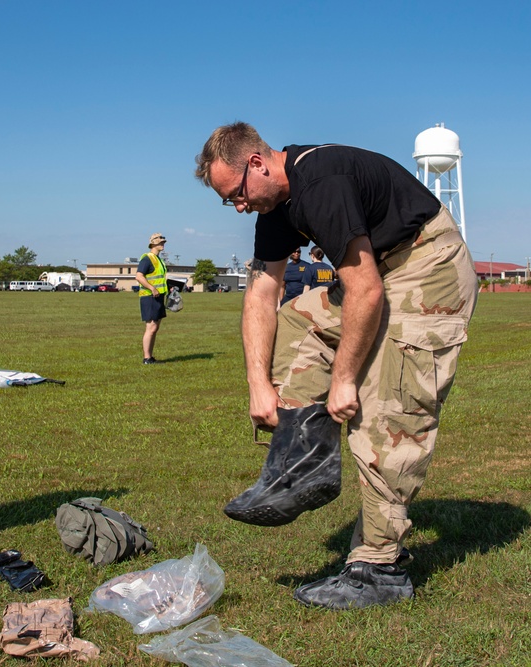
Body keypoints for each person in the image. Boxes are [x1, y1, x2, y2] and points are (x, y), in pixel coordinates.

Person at [194, 122, 476, 610]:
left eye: (235, 194)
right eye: (228, 202)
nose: (238, 206)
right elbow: (262, 293)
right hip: (381, 269)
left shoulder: (319, 184)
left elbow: (364, 290)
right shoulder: (275, 206)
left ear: (257, 164)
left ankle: (378, 569)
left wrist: (344, 381)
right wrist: (258, 385)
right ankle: (306, 467)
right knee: (295, 321)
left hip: (426, 268)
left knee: (387, 413)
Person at [135, 233, 168, 364]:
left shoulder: (159, 260)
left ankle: (150, 356)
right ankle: (147, 358)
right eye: (160, 242)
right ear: (153, 243)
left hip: (158, 297)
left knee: (155, 328)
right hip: (149, 297)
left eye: (163, 242)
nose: (162, 244)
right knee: (151, 328)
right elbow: (139, 276)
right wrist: (152, 288)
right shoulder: (147, 259)